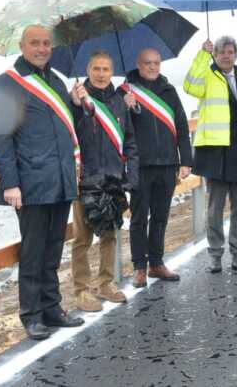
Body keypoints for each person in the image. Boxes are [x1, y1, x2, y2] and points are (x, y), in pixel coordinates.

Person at [0, 24, 84, 340]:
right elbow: (1, 137)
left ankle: (52, 308)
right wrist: (10, 183)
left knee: (54, 248)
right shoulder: (7, 83)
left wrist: (76, 105)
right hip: (31, 183)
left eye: (46, 43)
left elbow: (65, 129)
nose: (42, 48)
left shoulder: (56, 81)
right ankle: (31, 315)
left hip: (60, 179)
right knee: (33, 251)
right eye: (35, 43)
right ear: (22, 46)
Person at [183, 36, 237, 273]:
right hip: (215, 152)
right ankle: (215, 254)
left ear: (235, 54)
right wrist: (202, 55)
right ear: (215, 55)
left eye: (230, 52)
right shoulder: (207, 75)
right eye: (221, 52)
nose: (226, 56)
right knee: (215, 208)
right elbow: (189, 86)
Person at [69, 51, 138, 311]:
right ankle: (82, 290)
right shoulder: (77, 98)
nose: (100, 74)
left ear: (112, 72)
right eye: (96, 69)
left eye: (105, 69)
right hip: (85, 178)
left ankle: (105, 283)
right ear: (88, 70)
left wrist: (131, 177)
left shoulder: (119, 101)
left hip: (112, 178)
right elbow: (68, 132)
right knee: (82, 238)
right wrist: (76, 105)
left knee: (110, 234)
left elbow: (130, 141)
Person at [121, 48, 192, 287]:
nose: (152, 67)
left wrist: (186, 160)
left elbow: (181, 126)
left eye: (156, 63)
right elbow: (116, 128)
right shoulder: (125, 91)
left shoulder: (169, 90)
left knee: (161, 217)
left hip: (167, 164)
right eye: (147, 63)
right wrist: (124, 107)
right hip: (140, 166)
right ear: (138, 64)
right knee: (139, 218)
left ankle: (156, 264)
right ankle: (139, 267)